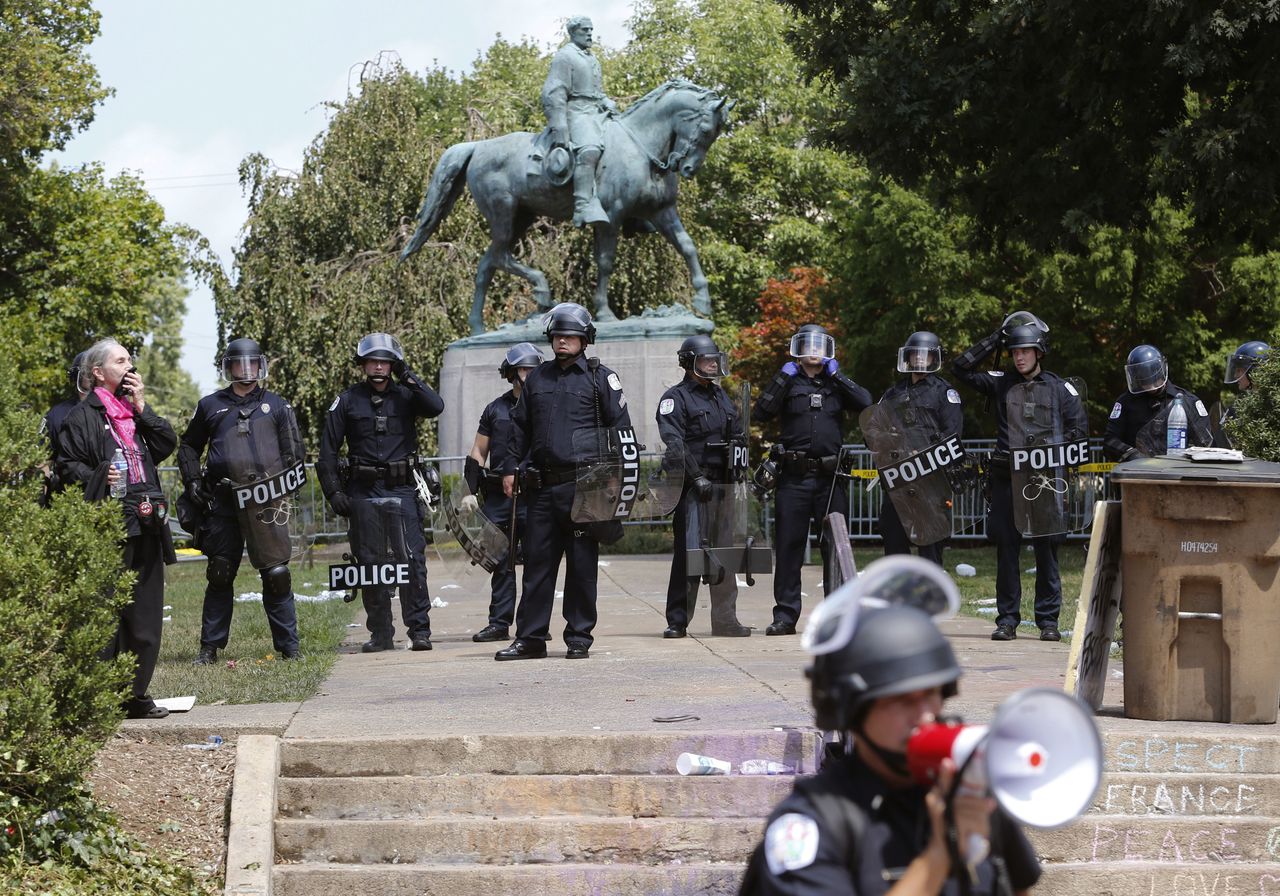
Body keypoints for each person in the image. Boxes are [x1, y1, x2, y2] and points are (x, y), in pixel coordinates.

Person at [739, 596, 1041, 895]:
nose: (925, 714)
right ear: (853, 710)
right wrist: (939, 855)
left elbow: (1018, 887)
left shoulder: (971, 789)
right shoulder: (813, 823)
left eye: (933, 693)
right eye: (903, 700)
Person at [496, 302, 632, 660]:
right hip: (541, 488)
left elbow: (621, 432)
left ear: (586, 339)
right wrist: (510, 467)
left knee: (582, 566)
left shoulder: (601, 377)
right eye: (557, 335)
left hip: (585, 488)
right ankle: (531, 638)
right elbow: (519, 427)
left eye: (570, 335)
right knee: (538, 566)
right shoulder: (538, 377)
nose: (562, 341)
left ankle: (578, 636)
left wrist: (615, 485)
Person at [56, 338, 178, 720]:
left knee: (145, 609)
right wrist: (98, 474)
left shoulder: (132, 411)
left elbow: (165, 443)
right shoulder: (83, 415)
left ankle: (135, 693)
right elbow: (66, 466)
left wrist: (142, 406)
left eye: (130, 360)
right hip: (111, 522)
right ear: (98, 372)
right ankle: (102, 695)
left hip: (147, 519)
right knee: (109, 609)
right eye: (120, 360)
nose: (129, 366)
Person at [951, 314, 1087, 643]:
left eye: (1025, 350)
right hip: (1005, 480)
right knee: (1007, 551)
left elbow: (1078, 430)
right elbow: (960, 369)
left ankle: (1048, 620)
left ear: (1039, 352)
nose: (1019, 357)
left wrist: (1054, 453)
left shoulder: (1059, 388)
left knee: (1046, 550)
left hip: (1043, 481)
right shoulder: (1001, 382)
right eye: (1014, 351)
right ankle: (1008, 619)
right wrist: (995, 338)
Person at [177, 338, 305, 665]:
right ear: (228, 367)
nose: (245, 371)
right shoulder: (210, 406)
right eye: (238, 365)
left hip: (266, 502)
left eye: (251, 365)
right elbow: (188, 446)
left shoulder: (278, 406)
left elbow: (295, 454)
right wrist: (192, 481)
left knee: (276, 574)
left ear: (261, 365)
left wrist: (282, 488)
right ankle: (209, 649)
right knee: (220, 571)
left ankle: (289, 647)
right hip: (222, 501)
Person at [318, 333, 445, 652]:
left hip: (401, 488)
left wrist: (407, 372)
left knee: (412, 558)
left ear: (392, 364)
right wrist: (333, 492)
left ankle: (419, 630)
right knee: (370, 562)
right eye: (372, 361)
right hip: (362, 490)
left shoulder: (406, 394)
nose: (377, 366)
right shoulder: (346, 400)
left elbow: (435, 406)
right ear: (362, 365)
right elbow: (327, 452)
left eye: (384, 361)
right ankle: (380, 632)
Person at [752, 324, 872, 636]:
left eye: (820, 346)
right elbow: (761, 411)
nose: (814, 351)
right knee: (790, 548)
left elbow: (866, 402)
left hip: (830, 480)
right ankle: (785, 616)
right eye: (809, 345)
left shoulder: (834, 385)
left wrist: (838, 376)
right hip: (793, 479)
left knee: (834, 549)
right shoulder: (789, 383)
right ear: (799, 348)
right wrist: (783, 376)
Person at [656, 334, 751, 639]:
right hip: (693, 487)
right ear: (689, 363)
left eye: (714, 360)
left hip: (722, 483)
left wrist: (739, 460)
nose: (713, 364)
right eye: (707, 360)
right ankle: (677, 620)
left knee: (725, 552)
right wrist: (696, 477)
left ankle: (725, 620)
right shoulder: (676, 398)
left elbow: (736, 433)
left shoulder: (721, 397)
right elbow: (674, 442)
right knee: (690, 552)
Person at [464, 342, 544, 643]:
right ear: (512, 372)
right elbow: (478, 451)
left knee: (538, 563)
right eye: (524, 369)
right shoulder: (495, 409)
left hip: (534, 495)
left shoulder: (544, 407)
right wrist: (468, 491)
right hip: (499, 496)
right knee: (500, 560)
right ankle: (499, 623)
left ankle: (534, 625)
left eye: (534, 369)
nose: (529, 374)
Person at [876, 331, 963, 566]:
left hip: (931, 480)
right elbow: (874, 431)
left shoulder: (945, 393)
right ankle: (899, 596)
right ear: (908, 357)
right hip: (899, 479)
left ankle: (931, 599)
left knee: (930, 545)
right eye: (916, 354)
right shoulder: (893, 393)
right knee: (893, 540)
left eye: (926, 355)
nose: (920, 359)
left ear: (935, 358)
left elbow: (952, 436)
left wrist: (924, 455)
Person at [542, 15, 618, 227]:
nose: (589, 34)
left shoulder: (592, 59)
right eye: (585, 30)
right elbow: (553, 93)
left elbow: (596, 92)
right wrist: (559, 126)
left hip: (596, 112)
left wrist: (606, 100)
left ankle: (632, 212)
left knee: (625, 147)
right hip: (576, 113)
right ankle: (583, 206)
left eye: (591, 30)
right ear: (573, 32)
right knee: (590, 150)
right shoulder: (565, 57)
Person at [1103, 344, 1212, 461]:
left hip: (1177, 470)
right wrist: (1131, 454)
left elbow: (1205, 444)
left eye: (1153, 378)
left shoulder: (1187, 401)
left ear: (1161, 370)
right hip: (1137, 472)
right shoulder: (1126, 402)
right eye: (1144, 379)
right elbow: (1110, 442)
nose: (1149, 385)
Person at [39, 350, 89, 505]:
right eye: (88, 371)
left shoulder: (120, 412)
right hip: (69, 501)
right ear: (77, 376)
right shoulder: (57, 414)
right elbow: (41, 462)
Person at [1215, 340, 1270, 446]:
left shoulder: (1272, 406)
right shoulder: (1238, 406)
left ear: (1255, 371)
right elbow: (1221, 441)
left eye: (1239, 370)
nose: (1235, 375)